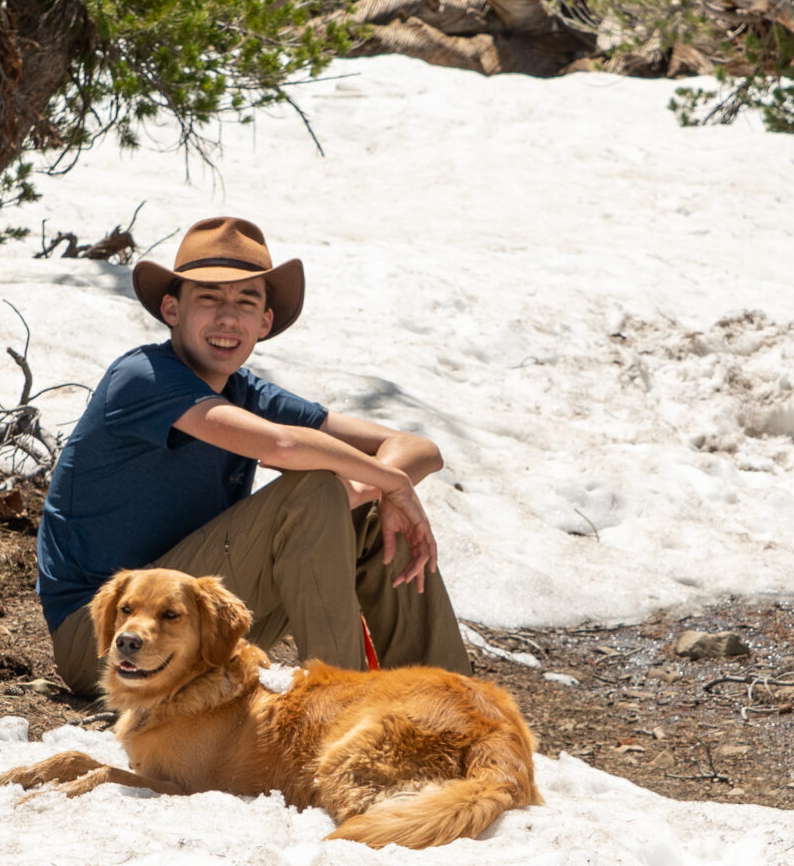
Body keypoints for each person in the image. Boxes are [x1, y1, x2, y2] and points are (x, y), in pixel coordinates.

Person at [35, 216, 472, 695]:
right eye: (209, 297)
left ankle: (453, 708)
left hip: (200, 626)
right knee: (316, 491)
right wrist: (390, 484)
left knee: (368, 514)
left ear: (264, 322)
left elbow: (419, 449)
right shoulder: (143, 376)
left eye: (246, 302)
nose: (228, 317)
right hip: (106, 641)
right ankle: (341, 709)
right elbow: (280, 445)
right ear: (171, 309)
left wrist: (381, 488)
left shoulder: (247, 392)